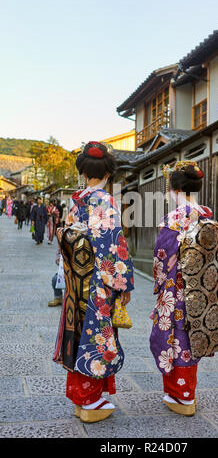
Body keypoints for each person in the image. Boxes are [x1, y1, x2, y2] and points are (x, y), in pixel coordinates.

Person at [53, 141, 134, 424]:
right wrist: (124, 283)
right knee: (96, 337)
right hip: (99, 283)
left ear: (83, 172)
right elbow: (114, 245)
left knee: (78, 334)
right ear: (109, 173)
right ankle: (90, 400)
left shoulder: (76, 202)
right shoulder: (104, 200)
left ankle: (81, 398)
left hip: (77, 282)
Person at [150, 160, 218, 416]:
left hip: (177, 288)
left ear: (173, 189)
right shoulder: (207, 216)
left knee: (176, 339)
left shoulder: (173, 219)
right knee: (192, 338)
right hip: (202, 290)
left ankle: (181, 396)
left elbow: (161, 255)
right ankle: (187, 393)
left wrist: (161, 282)